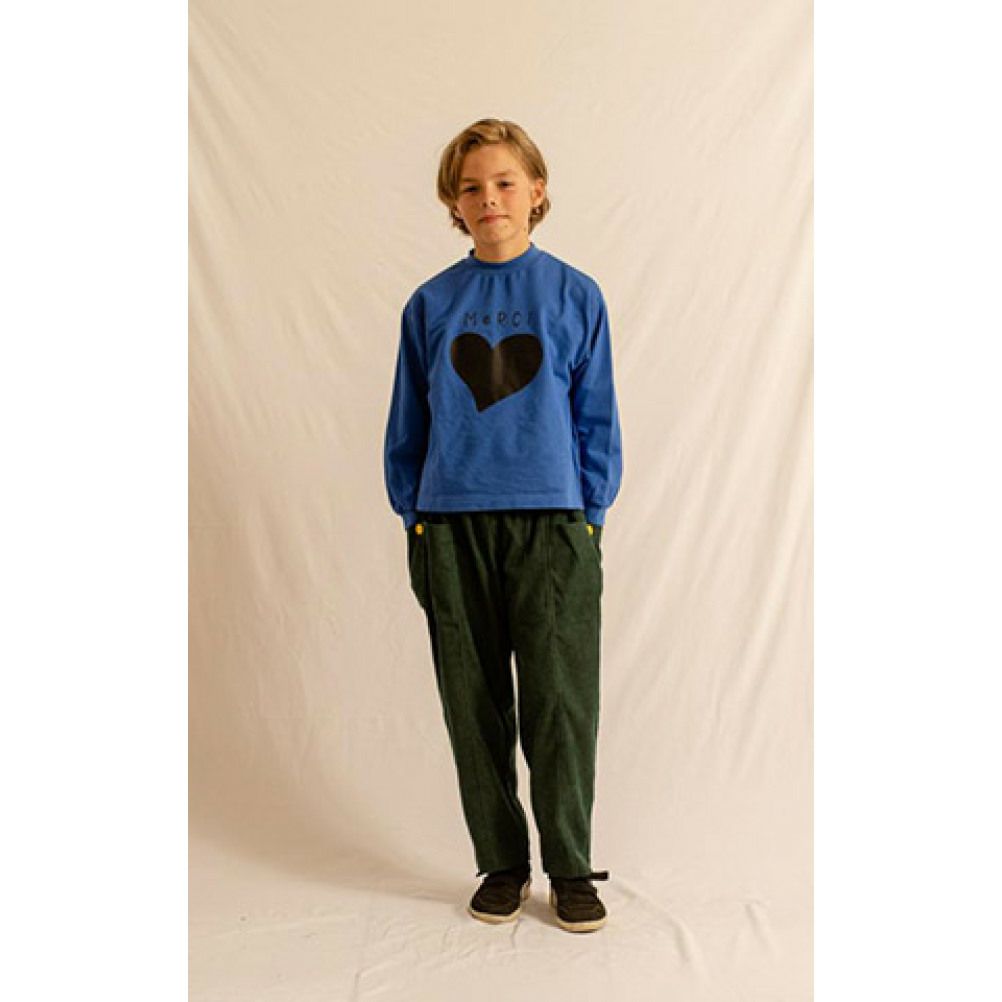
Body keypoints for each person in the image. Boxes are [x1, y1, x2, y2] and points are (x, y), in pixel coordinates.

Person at [382, 118, 623, 933]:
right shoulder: (431, 304)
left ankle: (570, 865)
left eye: (505, 182)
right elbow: (409, 419)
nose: (489, 198)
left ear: (536, 190)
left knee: (560, 702)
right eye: (472, 187)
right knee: (473, 701)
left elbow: (596, 417)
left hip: (553, 524)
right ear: (454, 203)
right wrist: (414, 513)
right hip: (450, 526)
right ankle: (502, 862)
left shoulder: (575, 295)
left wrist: (589, 516)